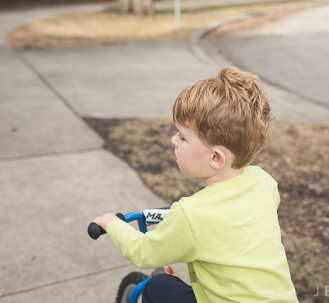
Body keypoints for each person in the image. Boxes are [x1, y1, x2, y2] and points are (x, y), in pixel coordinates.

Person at [92, 67, 299, 303]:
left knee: (158, 285)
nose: (173, 140)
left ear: (215, 158)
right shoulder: (263, 181)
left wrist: (112, 224)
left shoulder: (190, 215)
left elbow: (144, 252)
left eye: (182, 137)